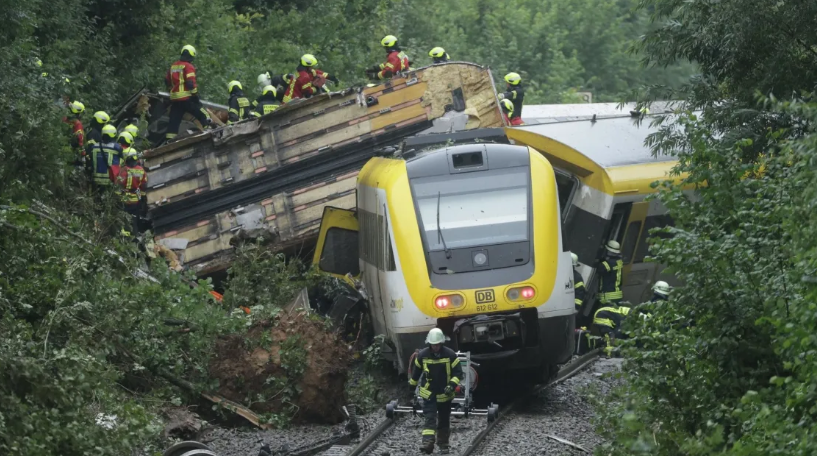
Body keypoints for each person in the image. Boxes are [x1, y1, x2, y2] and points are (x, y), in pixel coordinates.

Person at [408, 328, 463, 454]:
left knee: (444, 420)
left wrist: (451, 385)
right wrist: (411, 388)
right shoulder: (422, 355)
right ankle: (428, 443)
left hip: (445, 395)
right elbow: (416, 374)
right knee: (430, 418)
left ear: (441, 343)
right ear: (429, 344)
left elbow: (458, 373)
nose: (436, 347)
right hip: (429, 394)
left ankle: (443, 444)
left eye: (438, 344)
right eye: (434, 345)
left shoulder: (450, 355)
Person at [165, 45, 212, 142]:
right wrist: (195, 95)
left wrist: (171, 90)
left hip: (175, 100)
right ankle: (209, 130)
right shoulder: (188, 66)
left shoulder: (173, 66)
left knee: (174, 121)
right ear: (191, 56)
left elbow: (166, 80)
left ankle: (169, 142)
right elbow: (190, 83)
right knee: (203, 113)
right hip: (186, 98)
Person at [115, 147, 147, 235]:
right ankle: (135, 233)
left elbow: (118, 186)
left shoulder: (122, 171)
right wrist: (143, 197)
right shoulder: (141, 170)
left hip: (124, 200)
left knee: (125, 220)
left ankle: (127, 235)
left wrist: (117, 198)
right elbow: (144, 185)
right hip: (136, 200)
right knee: (135, 219)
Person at [90, 124, 123, 190]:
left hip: (96, 180)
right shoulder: (116, 147)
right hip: (110, 180)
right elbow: (122, 158)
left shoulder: (94, 146)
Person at [598, 240, 624, 305]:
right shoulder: (619, 262)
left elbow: (599, 270)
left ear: (608, 251)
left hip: (608, 297)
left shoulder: (606, 264)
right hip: (617, 295)